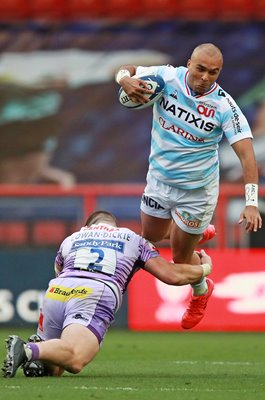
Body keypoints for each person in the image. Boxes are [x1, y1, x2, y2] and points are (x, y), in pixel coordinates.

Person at [115, 43, 263, 329]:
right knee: (150, 238)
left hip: (197, 193)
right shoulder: (167, 78)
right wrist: (125, 80)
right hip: (159, 181)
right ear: (189, 64)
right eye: (200, 69)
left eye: (214, 72)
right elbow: (128, 69)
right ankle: (192, 232)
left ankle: (201, 291)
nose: (206, 76)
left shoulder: (224, 106)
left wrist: (251, 202)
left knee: (181, 258)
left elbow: (247, 156)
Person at [2, 210, 213, 378]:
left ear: (88, 226)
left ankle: (39, 353)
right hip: (94, 293)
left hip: (56, 290)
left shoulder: (72, 238)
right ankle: (28, 350)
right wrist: (205, 269)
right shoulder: (132, 238)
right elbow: (171, 275)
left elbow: (59, 269)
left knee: (56, 369)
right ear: (114, 225)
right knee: (75, 359)